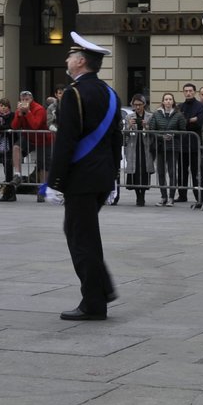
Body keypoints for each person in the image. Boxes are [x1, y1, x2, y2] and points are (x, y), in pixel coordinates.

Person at [49, 34, 123, 320]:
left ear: (80, 62)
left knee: (82, 240)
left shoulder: (74, 93)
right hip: (102, 178)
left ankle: (94, 303)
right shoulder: (110, 94)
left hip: (81, 179)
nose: (67, 60)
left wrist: (54, 183)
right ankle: (102, 289)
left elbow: (66, 141)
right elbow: (116, 139)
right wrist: (114, 176)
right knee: (81, 235)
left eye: (70, 56)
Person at [148, 93, 183, 206]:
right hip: (160, 147)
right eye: (166, 99)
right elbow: (152, 129)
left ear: (173, 102)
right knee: (161, 172)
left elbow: (183, 130)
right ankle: (163, 197)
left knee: (172, 172)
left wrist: (173, 134)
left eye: (170, 99)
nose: (168, 101)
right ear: (163, 102)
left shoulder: (178, 115)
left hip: (173, 147)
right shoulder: (157, 114)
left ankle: (171, 198)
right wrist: (161, 136)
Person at [122, 94, 153, 206]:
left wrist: (147, 126)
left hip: (145, 147)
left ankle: (143, 195)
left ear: (144, 104)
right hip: (133, 146)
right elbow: (125, 134)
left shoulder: (150, 116)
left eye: (140, 104)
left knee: (144, 170)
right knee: (134, 171)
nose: (137, 107)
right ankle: (137, 195)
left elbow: (153, 132)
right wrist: (129, 126)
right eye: (135, 105)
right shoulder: (129, 117)